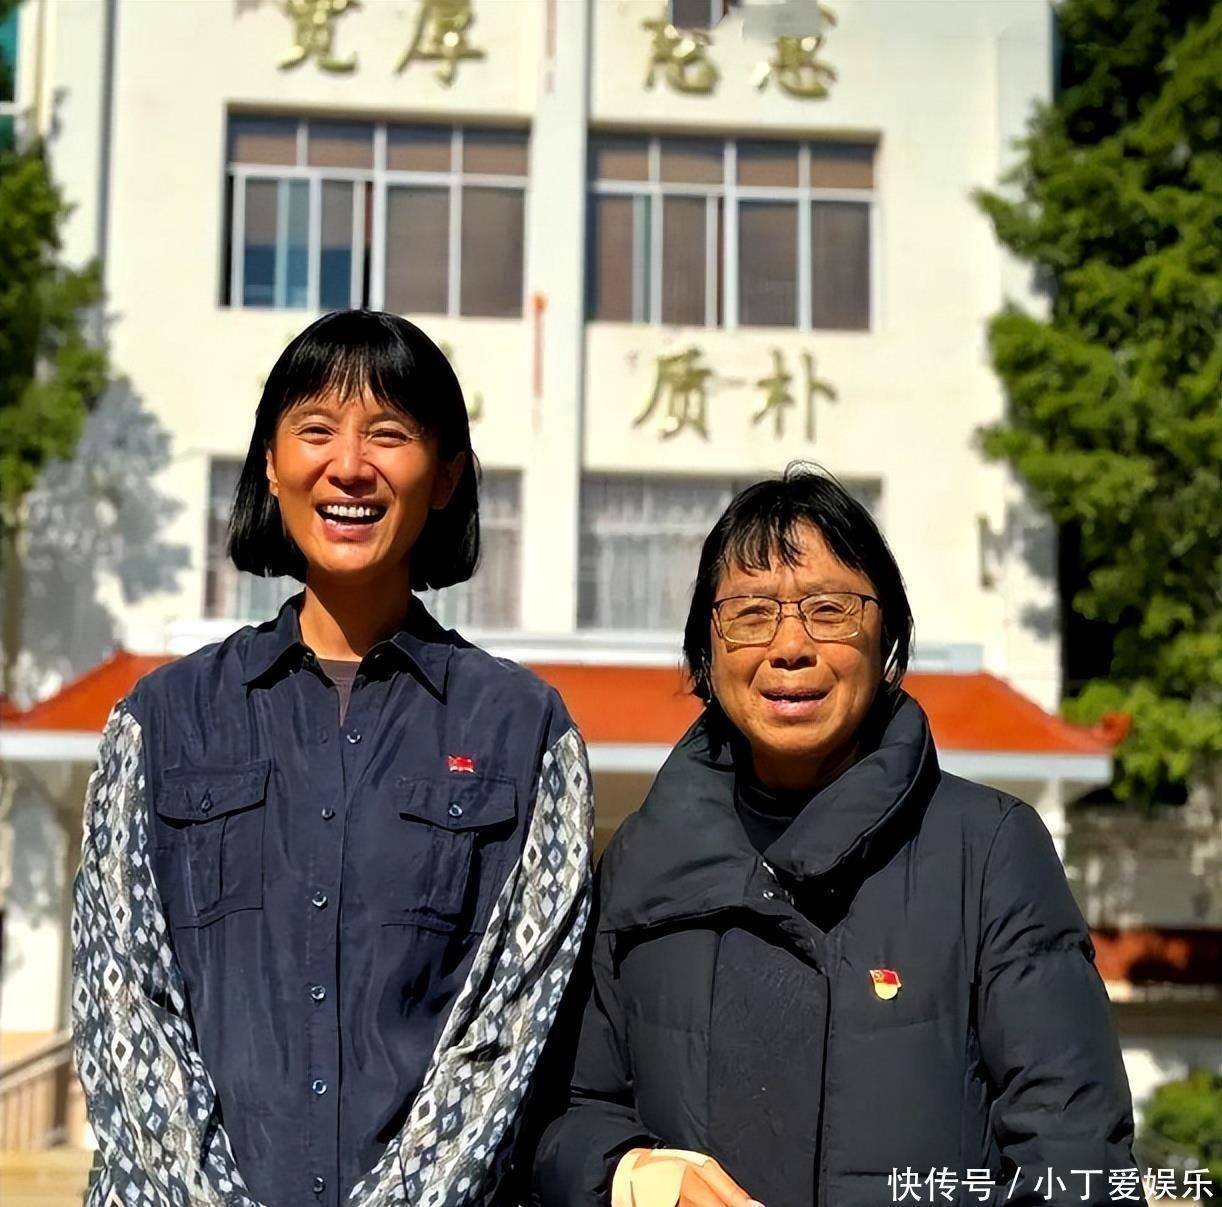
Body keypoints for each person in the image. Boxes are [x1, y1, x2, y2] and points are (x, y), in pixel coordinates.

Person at [71, 310, 594, 1207]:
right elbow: (122, 1004)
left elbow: (513, 1030)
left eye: (388, 433)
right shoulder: (160, 722)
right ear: (271, 464)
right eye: (316, 429)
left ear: (447, 475)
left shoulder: (527, 732)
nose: (349, 465)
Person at [534, 466, 1135, 1207]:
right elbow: (567, 1115)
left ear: (887, 639)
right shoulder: (641, 860)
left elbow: (1077, 1156)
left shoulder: (987, 851)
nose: (790, 646)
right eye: (751, 613)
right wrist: (629, 1175)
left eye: (829, 609)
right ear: (705, 653)